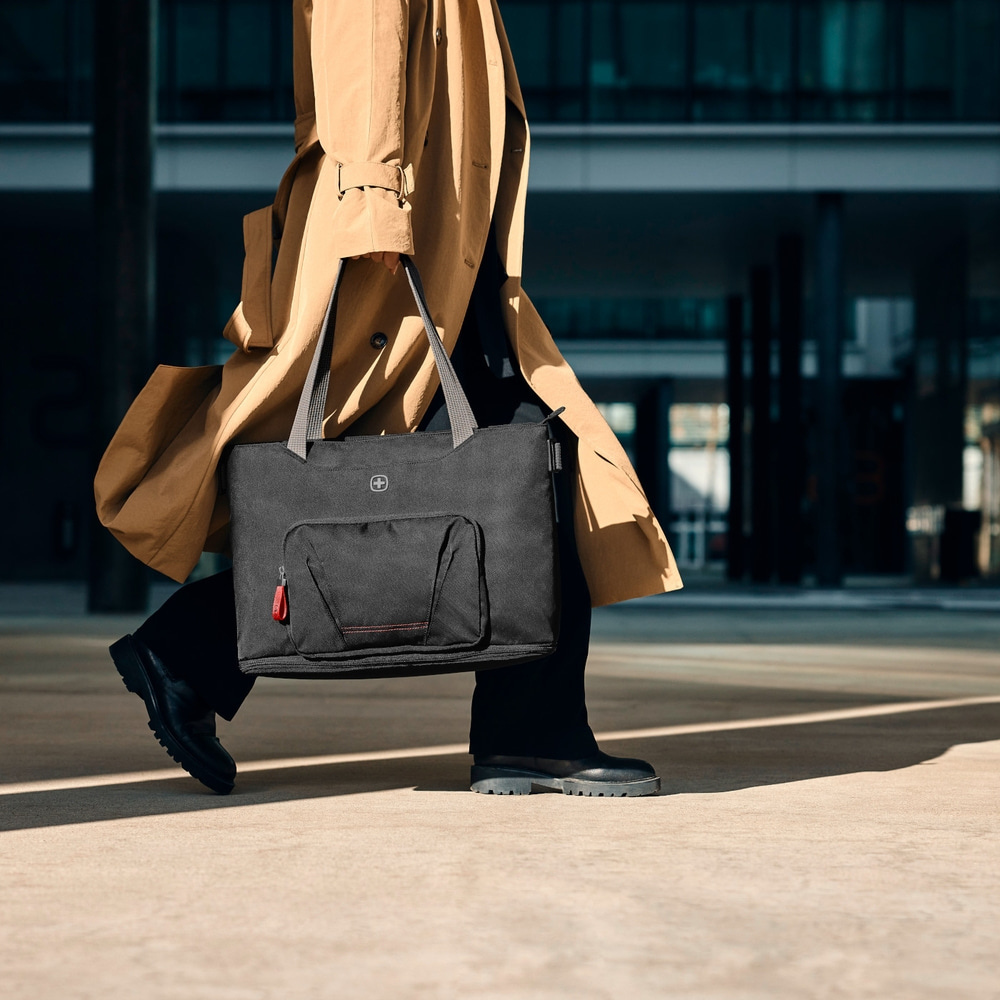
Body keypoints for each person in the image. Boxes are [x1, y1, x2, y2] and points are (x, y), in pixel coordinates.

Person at [95, 0, 682, 797]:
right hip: (399, 248)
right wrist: (375, 201)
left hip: (442, 250)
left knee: (511, 475)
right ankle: (529, 732)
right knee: (530, 470)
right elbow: (362, 27)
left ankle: (188, 653)